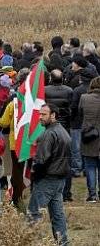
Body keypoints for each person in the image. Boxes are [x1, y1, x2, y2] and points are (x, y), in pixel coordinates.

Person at [28, 104, 71, 245]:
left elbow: (41, 160)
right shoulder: (63, 131)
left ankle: (29, 241)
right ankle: (63, 242)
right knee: (57, 215)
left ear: (53, 115)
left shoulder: (49, 134)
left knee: (34, 213)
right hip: (59, 179)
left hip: (48, 178)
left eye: (44, 114)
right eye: (40, 114)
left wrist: (34, 175)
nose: (40, 117)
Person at [44, 69, 74, 201]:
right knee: (65, 158)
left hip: (48, 127)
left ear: (51, 78)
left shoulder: (44, 90)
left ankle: (49, 189)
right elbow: (71, 109)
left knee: (47, 156)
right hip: (64, 127)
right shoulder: (69, 91)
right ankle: (66, 192)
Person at [78, 76, 100, 203]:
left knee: (90, 166)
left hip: (89, 135)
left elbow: (80, 113)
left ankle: (92, 195)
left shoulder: (84, 98)